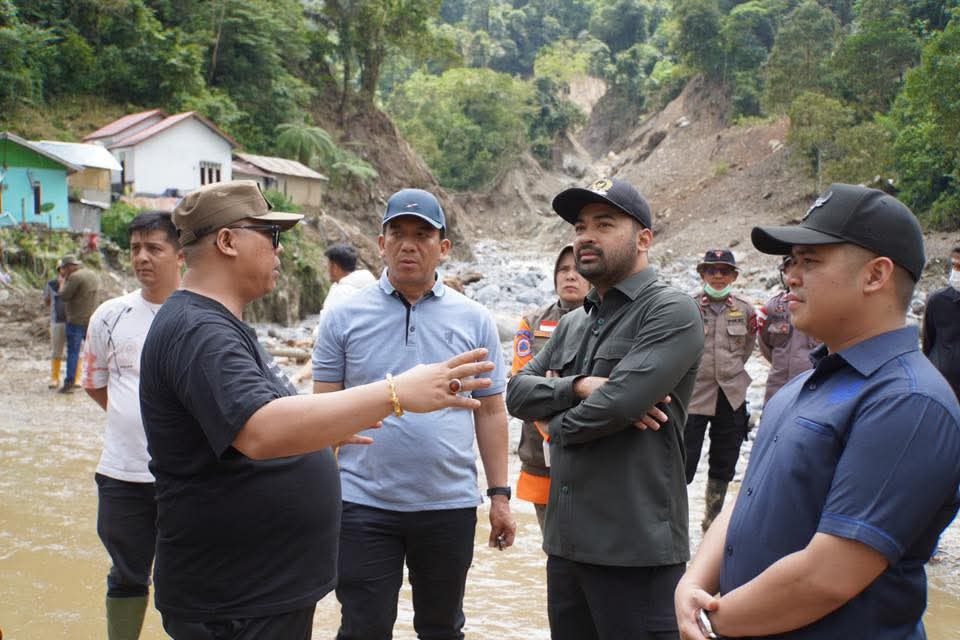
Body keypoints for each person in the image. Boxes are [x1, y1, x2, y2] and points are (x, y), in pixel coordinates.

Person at [139, 180, 495, 640]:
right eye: (272, 237)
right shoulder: (199, 331)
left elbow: (272, 414)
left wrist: (327, 426)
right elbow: (259, 430)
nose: (280, 251)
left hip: (257, 592)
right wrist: (395, 394)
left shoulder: (221, 326)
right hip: (234, 598)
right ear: (227, 241)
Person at [675, 184, 960, 640]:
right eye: (791, 262)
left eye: (811, 261)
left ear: (875, 275)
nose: (790, 276)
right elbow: (745, 500)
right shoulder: (801, 387)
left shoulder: (909, 401)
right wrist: (692, 585)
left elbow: (827, 576)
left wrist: (708, 623)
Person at [312, 187, 516, 640]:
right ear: (380, 243)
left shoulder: (475, 319)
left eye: (422, 234)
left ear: (443, 248)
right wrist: (318, 499)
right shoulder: (343, 317)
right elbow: (320, 413)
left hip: (449, 504)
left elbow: (490, 411)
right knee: (363, 628)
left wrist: (500, 495)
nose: (409, 244)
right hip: (362, 502)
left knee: (442, 628)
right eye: (397, 232)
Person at [506, 177, 705, 640]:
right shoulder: (573, 322)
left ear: (643, 239)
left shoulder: (670, 311)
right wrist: (579, 386)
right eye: (580, 226)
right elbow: (515, 392)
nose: (585, 237)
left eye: (604, 223)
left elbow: (619, 406)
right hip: (567, 546)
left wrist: (552, 420)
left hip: (634, 553)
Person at [81, 212, 183, 640]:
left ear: (180, 254)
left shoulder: (201, 316)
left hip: (186, 478)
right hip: (123, 476)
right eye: (135, 248)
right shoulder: (110, 316)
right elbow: (95, 382)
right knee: (126, 576)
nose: (142, 257)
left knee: (189, 582)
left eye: (154, 248)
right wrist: (135, 424)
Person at [510, 244, 589, 533]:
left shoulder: (613, 321)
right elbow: (521, 386)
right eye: (563, 269)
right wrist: (552, 428)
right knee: (554, 546)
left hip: (594, 454)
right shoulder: (532, 323)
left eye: (578, 269)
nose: (570, 276)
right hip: (540, 454)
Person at [684, 249, 757, 532]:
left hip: (732, 394)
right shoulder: (686, 307)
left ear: (734, 276)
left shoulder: (746, 310)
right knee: (683, 459)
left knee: (725, 459)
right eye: (711, 270)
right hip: (694, 395)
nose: (717, 276)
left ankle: (711, 522)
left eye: (724, 271)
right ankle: (674, 519)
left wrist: (728, 370)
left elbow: (748, 347)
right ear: (701, 274)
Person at [757, 266, 820, 405]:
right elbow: (764, 344)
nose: (793, 276)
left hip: (815, 392)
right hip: (778, 390)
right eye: (788, 269)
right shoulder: (773, 308)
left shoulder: (827, 305)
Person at [922, 244, 960, 401]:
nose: (956, 272)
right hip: (941, 392)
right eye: (955, 266)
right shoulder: (937, 301)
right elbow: (928, 344)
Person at [57, 254, 100, 393]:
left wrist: (62, 282)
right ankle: (99, 381)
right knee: (95, 352)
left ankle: (69, 383)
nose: (64, 271)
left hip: (76, 320)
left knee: (73, 353)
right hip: (91, 319)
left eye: (64, 268)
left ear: (70, 267)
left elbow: (63, 295)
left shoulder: (75, 277)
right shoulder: (91, 274)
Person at [42, 261, 68, 389]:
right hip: (56, 320)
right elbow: (46, 299)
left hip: (72, 321)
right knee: (56, 351)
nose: (63, 271)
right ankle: (54, 378)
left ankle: (76, 378)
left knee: (76, 351)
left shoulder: (73, 283)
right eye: (61, 269)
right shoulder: (51, 284)